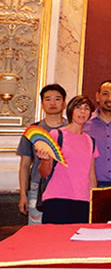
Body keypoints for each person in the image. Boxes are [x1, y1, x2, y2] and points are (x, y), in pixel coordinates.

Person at [36, 96, 98, 224]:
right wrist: (45, 159)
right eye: (78, 107)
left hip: (83, 200)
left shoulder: (90, 141)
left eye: (86, 108)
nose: (82, 111)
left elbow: (91, 174)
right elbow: (44, 173)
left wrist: (94, 200)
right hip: (57, 198)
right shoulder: (56, 135)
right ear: (71, 111)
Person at [17, 84, 67, 224]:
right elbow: (25, 166)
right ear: (42, 103)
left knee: (62, 230)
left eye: (57, 99)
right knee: (36, 229)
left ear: (63, 103)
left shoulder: (71, 129)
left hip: (65, 187)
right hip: (37, 187)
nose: (52, 103)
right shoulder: (33, 131)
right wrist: (23, 195)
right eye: (48, 99)